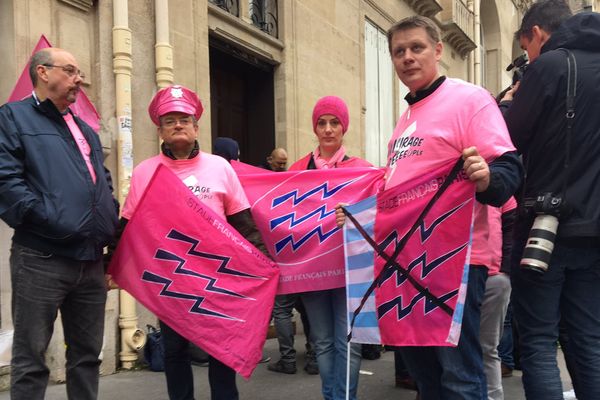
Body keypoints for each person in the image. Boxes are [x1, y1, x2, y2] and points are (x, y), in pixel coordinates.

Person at [337, 16, 522, 400]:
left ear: (438, 51)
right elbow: (400, 191)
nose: (407, 58)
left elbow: (508, 167)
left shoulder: (469, 99)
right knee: (425, 375)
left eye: (416, 48)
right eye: (398, 52)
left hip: (456, 260)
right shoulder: (404, 120)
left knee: (459, 374)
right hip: (404, 262)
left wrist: (486, 177)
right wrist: (359, 213)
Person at [120, 84, 268, 400]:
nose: (178, 125)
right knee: (174, 351)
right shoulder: (146, 172)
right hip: (171, 279)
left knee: (222, 350)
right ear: (160, 129)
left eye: (184, 119)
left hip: (218, 276)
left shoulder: (220, 167)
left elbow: (243, 224)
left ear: (196, 126)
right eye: (170, 120)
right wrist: (111, 266)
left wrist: (263, 265)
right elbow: (127, 227)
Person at [0, 48, 119, 400]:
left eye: (79, 72)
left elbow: (102, 182)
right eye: (70, 71)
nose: (78, 79)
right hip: (41, 258)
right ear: (43, 72)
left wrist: (108, 219)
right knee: (31, 358)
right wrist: (53, 221)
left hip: (90, 261)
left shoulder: (84, 128)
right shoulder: (13, 117)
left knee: (86, 357)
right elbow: (6, 181)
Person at [501, 2, 600, 399]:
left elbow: (508, 142)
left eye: (527, 47)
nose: (529, 56)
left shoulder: (550, 67)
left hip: (547, 227)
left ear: (538, 33)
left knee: (539, 342)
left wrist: (509, 103)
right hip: (594, 231)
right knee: (587, 339)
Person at [289, 95, 372, 400]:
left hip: (351, 270)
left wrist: (355, 213)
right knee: (322, 341)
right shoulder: (297, 170)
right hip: (312, 268)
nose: (327, 129)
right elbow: (283, 217)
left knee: (348, 341)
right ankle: (332, 397)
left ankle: (343, 398)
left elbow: (379, 214)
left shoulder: (362, 170)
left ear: (343, 127)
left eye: (334, 122)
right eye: (321, 123)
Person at [479, 198, 516, 400]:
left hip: (493, 278)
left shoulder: (501, 184)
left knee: (487, 347)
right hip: (455, 277)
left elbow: (511, 229)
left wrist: (505, 273)